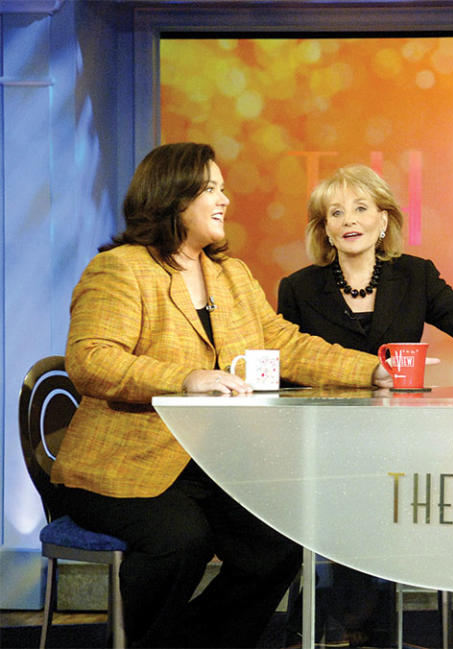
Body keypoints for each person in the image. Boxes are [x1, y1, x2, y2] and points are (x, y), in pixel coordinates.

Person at [50, 143, 392, 649]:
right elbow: (93, 360)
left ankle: (188, 641)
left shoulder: (230, 274)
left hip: (204, 465)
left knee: (275, 542)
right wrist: (184, 377)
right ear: (173, 198)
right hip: (120, 467)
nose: (224, 199)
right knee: (180, 539)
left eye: (221, 187)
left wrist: (373, 372)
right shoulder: (121, 269)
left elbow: (285, 343)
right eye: (211, 188)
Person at [277, 163, 453, 645]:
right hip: (322, 444)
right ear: (325, 229)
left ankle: (367, 633)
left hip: (396, 443)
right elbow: (289, 368)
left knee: (380, 496)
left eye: (360, 208)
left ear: (382, 219)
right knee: (340, 500)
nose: (349, 220)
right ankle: (323, 629)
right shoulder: (298, 288)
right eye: (336, 212)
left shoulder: (414, 275)